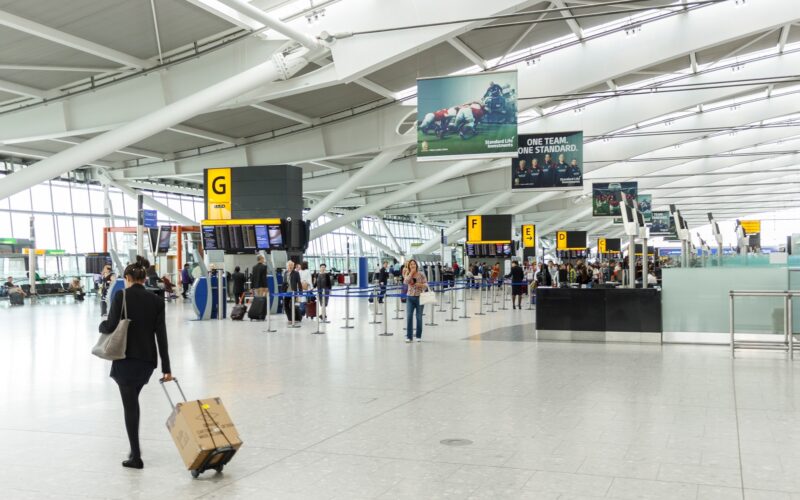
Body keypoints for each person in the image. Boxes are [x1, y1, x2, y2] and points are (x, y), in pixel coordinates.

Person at [99, 256, 172, 470]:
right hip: (147, 361)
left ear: (128, 278)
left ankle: (136, 456)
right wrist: (167, 368)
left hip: (126, 359)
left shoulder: (121, 296)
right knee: (133, 400)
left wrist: (101, 326)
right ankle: (134, 450)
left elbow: (111, 325)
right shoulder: (157, 301)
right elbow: (162, 336)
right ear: (144, 277)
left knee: (130, 406)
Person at [403, 259, 428, 343]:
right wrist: (411, 273)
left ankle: (418, 335)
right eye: (411, 264)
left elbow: (426, 285)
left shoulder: (421, 274)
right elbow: (405, 282)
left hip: (420, 297)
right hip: (410, 297)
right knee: (409, 316)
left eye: (414, 264)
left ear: (416, 265)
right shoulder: (407, 273)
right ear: (409, 266)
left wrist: (419, 285)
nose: (412, 265)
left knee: (419, 317)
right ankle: (409, 336)